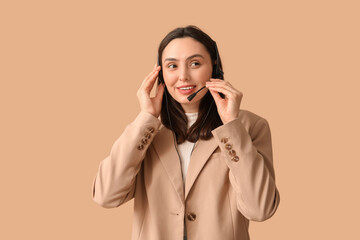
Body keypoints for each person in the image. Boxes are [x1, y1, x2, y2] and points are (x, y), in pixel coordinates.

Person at [92, 25, 280, 240]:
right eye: (172, 66)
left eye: (195, 64)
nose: (183, 76)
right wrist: (146, 118)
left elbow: (260, 209)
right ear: (160, 72)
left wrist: (232, 126)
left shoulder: (249, 126)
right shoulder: (146, 131)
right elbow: (106, 196)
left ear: (214, 67)